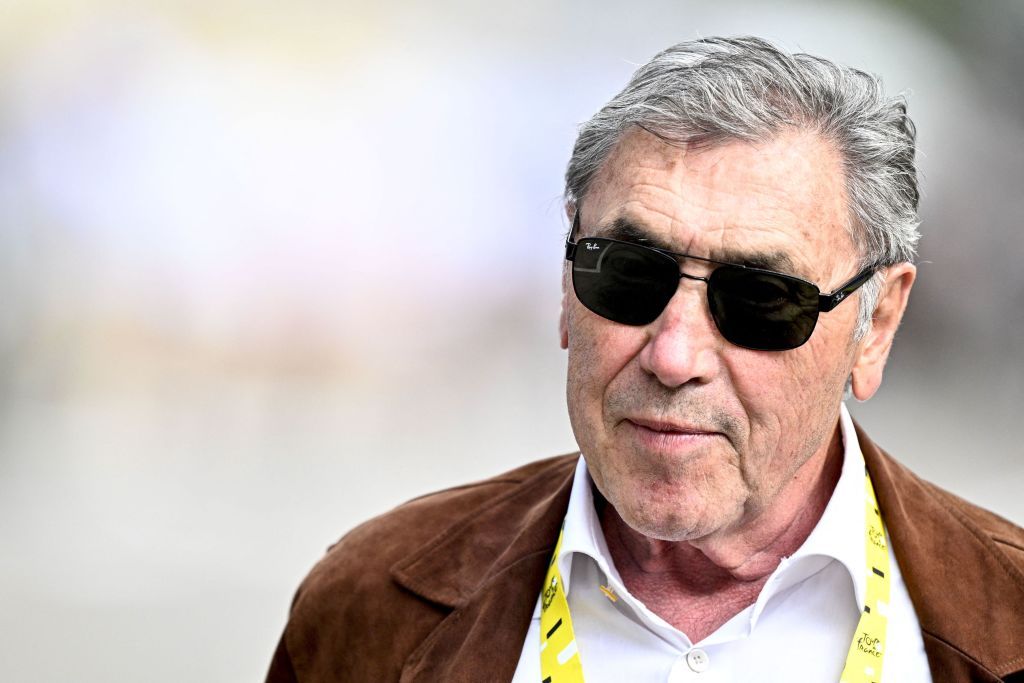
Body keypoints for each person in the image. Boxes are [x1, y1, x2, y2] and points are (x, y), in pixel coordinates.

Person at [265, 37, 1024, 682]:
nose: (674, 354)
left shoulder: (1006, 616)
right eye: (628, 272)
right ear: (566, 279)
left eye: (759, 297)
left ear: (876, 323)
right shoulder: (371, 606)